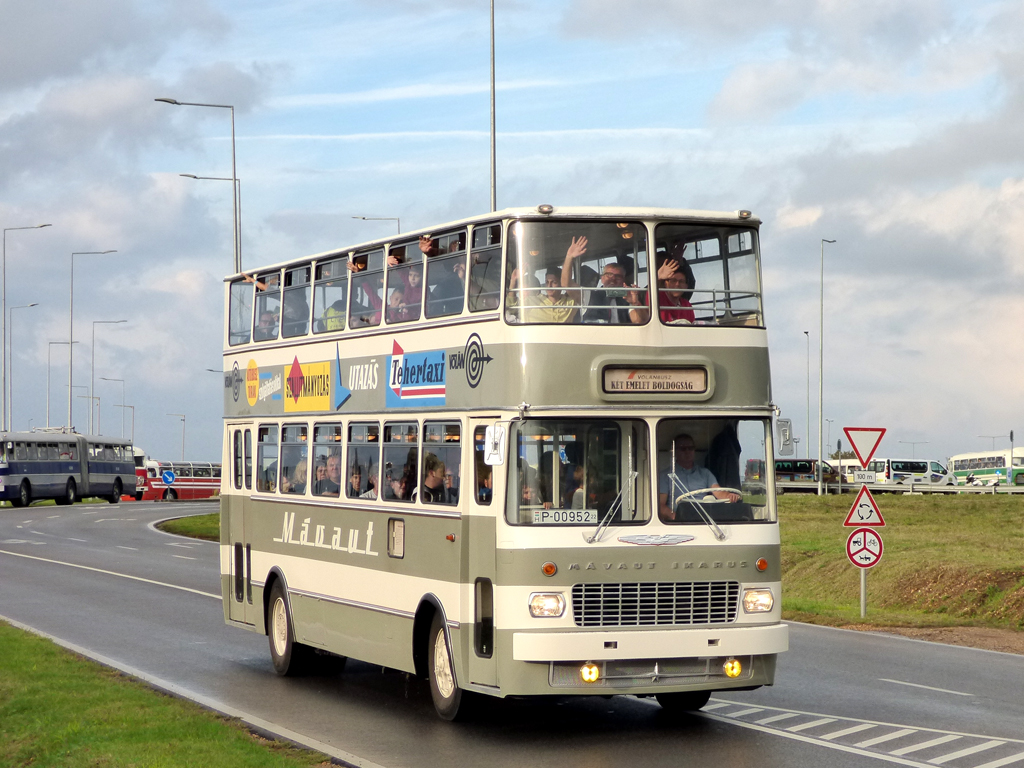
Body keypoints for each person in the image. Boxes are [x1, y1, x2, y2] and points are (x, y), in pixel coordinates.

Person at [559, 237, 646, 324]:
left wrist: (635, 303)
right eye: (609, 275)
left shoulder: (628, 298)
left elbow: (639, 321)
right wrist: (569, 257)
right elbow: (566, 284)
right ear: (602, 278)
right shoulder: (590, 296)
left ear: (623, 280)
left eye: (618, 276)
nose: (613, 279)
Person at [659, 434, 740, 521]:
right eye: (683, 449)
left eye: (690, 448)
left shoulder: (705, 473)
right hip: (679, 522)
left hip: (705, 520)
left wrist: (730, 496)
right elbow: (660, 505)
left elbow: (718, 492)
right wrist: (675, 517)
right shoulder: (666, 475)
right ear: (674, 452)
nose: (687, 451)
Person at [657, 246, 696, 324]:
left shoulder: (686, 305)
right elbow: (649, 298)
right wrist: (657, 277)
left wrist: (680, 260)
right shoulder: (654, 296)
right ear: (666, 282)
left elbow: (690, 282)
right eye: (673, 281)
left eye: (681, 282)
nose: (677, 284)